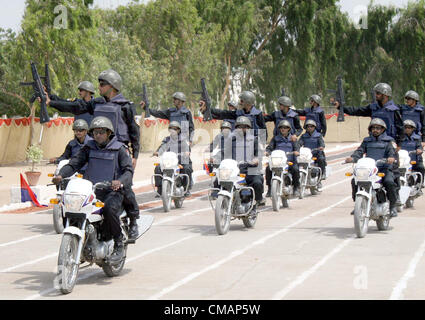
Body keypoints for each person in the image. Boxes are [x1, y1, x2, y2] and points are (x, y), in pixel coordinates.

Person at [46, 69, 141, 241]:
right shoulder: (96, 103)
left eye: (102, 84)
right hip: (98, 149)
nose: (99, 87)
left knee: (124, 187)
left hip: (118, 150)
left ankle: (133, 220)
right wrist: (51, 102)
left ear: (112, 86)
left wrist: (135, 154)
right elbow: (76, 107)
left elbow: (134, 131)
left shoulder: (125, 106)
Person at [52, 116, 134, 263]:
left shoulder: (120, 149)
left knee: (109, 209)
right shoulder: (89, 148)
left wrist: (119, 181)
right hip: (92, 190)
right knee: (72, 207)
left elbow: (128, 171)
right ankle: (81, 241)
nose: (98, 135)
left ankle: (118, 243)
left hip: (112, 191)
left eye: (101, 132)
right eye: (95, 132)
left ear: (109, 133)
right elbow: (74, 164)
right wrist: (60, 175)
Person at [345, 118, 398, 217]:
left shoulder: (388, 141)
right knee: (355, 181)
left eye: (378, 128)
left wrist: (391, 158)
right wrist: (353, 158)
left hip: (383, 169)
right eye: (373, 128)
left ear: (383, 129)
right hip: (369, 169)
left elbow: (392, 153)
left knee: (389, 182)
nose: (375, 130)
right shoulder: (367, 140)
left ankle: (393, 207)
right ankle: (357, 204)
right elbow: (360, 151)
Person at [334, 83, 403, 143]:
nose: (376, 95)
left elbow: (400, 128)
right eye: (375, 93)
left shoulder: (394, 110)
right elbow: (357, 111)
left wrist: (399, 144)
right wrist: (341, 107)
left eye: (378, 93)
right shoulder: (372, 108)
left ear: (385, 95)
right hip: (374, 140)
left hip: (390, 142)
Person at [199, 91, 267, 145]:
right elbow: (223, 113)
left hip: (252, 143)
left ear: (248, 102)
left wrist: (262, 145)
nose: (240, 102)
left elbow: (263, 130)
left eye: (241, 101)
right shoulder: (238, 113)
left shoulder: (258, 114)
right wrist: (207, 110)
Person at [231, 116, 266, 210]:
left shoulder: (253, 140)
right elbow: (223, 153)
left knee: (257, 182)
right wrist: (215, 158)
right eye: (239, 127)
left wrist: (256, 159)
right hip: (236, 171)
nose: (242, 129)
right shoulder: (231, 141)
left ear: (248, 128)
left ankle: (256, 201)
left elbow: (258, 153)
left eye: (244, 127)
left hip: (251, 169)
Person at [153, 121, 193, 197]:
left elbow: (187, 148)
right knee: (158, 168)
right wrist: (157, 152)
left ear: (178, 130)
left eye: (175, 129)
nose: (173, 130)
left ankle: (186, 189)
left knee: (186, 168)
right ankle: (160, 189)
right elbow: (162, 147)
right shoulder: (167, 139)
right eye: (171, 128)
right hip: (169, 161)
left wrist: (187, 152)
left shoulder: (183, 140)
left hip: (181, 160)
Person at [265, 120, 300, 197]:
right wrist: (267, 151)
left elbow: (297, 147)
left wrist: (296, 151)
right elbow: (270, 147)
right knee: (268, 169)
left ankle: (296, 187)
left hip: (289, 161)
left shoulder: (293, 138)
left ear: (289, 129)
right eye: (281, 128)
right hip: (278, 161)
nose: (283, 129)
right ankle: (270, 188)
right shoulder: (275, 138)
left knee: (295, 169)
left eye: (285, 128)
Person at [399, 119, 424, 188]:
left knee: (421, 167)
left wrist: (419, 150)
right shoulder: (399, 138)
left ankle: (420, 183)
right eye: (405, 127)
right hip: (403, 160)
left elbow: (420, 146)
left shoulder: (417, 138)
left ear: (413, 129)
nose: (407, 129)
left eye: (409, 127)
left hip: (415, 159)